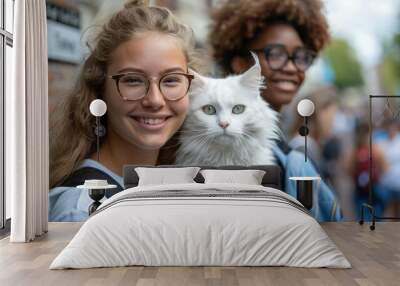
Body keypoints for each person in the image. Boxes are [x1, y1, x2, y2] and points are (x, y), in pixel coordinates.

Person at [49, 0, 199, 221]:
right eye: (133, 80)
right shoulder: (83, 209)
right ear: (100, 90)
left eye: (171, 80)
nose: (155, 100)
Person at [210, 0, 342, 221]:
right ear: (240, 63)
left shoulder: (292, 161)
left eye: (301, 57)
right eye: (275, 54)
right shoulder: (210, 144)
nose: (291, 67)